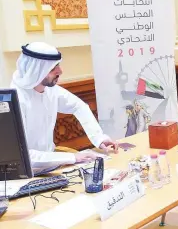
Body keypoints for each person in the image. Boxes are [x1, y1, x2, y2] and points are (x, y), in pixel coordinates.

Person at [10, 42, 119, 175]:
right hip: (27, 175)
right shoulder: (16, 100)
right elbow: (24, 157)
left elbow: (79, 107)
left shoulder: (51, 91)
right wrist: (73, 157)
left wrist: (99, 139)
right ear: (36, 71)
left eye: (58, 65)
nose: (60, 71)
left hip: (52, 167)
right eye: (52, 68)